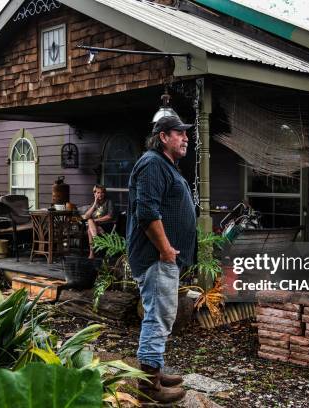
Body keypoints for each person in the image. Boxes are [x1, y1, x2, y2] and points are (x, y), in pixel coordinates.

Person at [126, 115, 197, 403]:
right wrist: (166, 249)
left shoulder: (164, 165)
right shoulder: (153, 163)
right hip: (156, 257)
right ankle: (148, 389)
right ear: (164, 136)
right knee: (158, 318)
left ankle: (152, 371)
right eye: (180, 134)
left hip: (164, 258)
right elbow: (147, 212)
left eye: (186, 135)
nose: (186, 138)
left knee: (162, 316)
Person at [82, 184, 114, 258]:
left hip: (106, 225)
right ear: (95, 194)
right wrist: (95, 203)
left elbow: (110, 216)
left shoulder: (108, 202)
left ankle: (92, 253)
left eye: (102, 192)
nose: (100, 194)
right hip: (96, 226)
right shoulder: (94, 203)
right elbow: (86, 216)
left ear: (104, 193)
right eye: (98, 192)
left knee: (90, 229)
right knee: (90, 221)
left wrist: (95, 220)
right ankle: (96, 240)